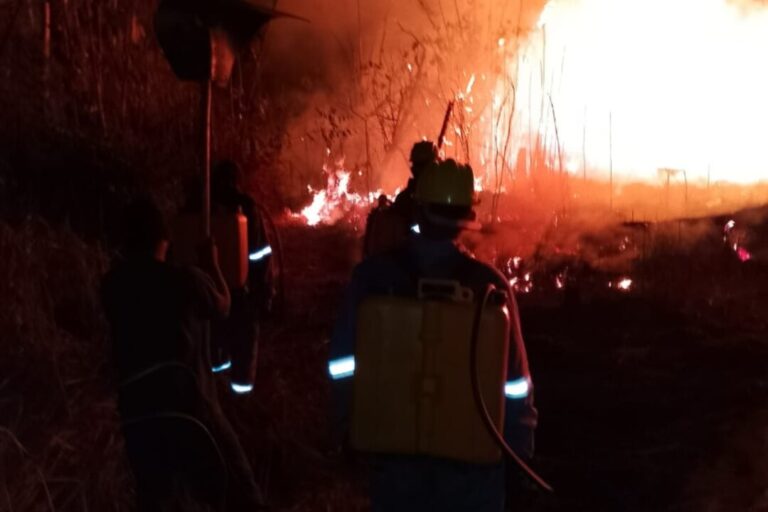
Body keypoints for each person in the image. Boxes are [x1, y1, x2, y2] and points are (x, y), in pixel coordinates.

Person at [329, 160, 538, 511]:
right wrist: (520, 453)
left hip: (395, 465)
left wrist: (346, 428)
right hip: (473, 476)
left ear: (420, 210)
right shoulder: (490, 287)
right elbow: (514, 385)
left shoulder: (372, 278)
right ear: (466, 219)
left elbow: (342, 365)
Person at [102, 198, 265, 511]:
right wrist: (213, 264)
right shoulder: (185, 280)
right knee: (242, 486)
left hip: (136, 412)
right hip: (190, 409)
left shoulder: (112, 285)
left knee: (155, 495)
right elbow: (224, 306)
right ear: (165, 239)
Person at [209, 160, 274, 394]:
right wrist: (265, 290)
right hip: (242, 295)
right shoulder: (246, 207)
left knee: (215, 344)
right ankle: (241, 399)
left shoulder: (200, 206)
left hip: (210, 292)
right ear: (238, 181)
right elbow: (260, 253)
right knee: (244, 348)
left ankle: (216, 391)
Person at [362, 141, 439, 256]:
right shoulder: (408, 197)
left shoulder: (436, 193)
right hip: (417, 256)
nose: (416, 169)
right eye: (418, 165)